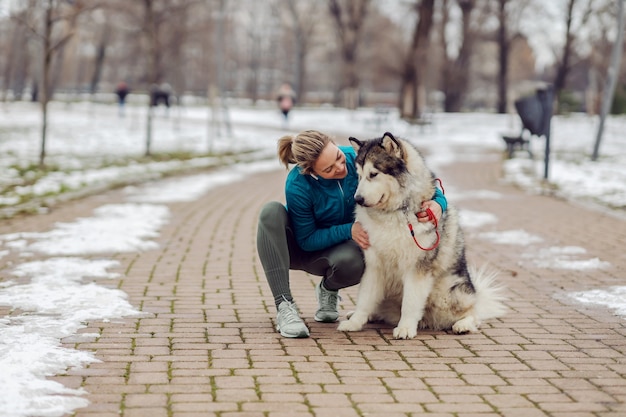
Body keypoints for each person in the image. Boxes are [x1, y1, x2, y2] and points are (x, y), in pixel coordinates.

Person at [256, 130, 447, 338]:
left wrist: (439, 203)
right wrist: (348, 229)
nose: (340, 168)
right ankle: (284, 306)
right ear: (312, 172)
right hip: (304, 249)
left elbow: (414, 180)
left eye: (337, 157)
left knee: (359, 258)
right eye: (329, 169)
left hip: (342, 250)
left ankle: (328, 289)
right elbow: (306, 239)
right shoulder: (298, 184)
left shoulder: (358, 158)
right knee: (271, 212)